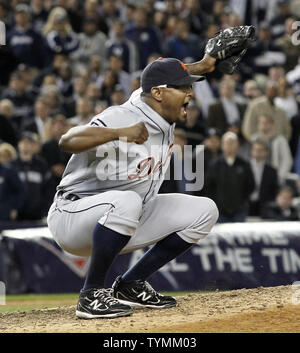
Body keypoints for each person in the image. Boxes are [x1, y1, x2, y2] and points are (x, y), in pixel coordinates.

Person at [47, 55, 219, 319]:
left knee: (205, 210)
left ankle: (130, 284)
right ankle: (91, 293)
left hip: (125, 217)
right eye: (184, 88)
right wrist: (119, 133)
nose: (189, 94)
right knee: (127, 201)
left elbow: (156, 76)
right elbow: (67, 141)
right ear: (158, 93)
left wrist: (205, 65)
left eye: (190, 87)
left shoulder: (155, 102)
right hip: (73, 215)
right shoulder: (121, 116)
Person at [205, 131, 255, 223]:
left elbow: (251, 185)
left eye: (232, 143)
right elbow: (209, 187)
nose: (229, 146)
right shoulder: (214, 164)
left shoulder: (244, 164)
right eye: (227, 143)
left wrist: (242, 202)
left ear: (237, 145)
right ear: (222, 145)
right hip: (220, 212)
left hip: (239, 212)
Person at [248, 139, 279, 217]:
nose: (258, 152)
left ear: (266, 152)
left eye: (260, 150)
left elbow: (274, 189)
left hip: (265, 205)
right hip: (247, 204)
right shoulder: (244, 167)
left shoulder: (272, 171)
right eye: (255, 149)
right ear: (252, 151)